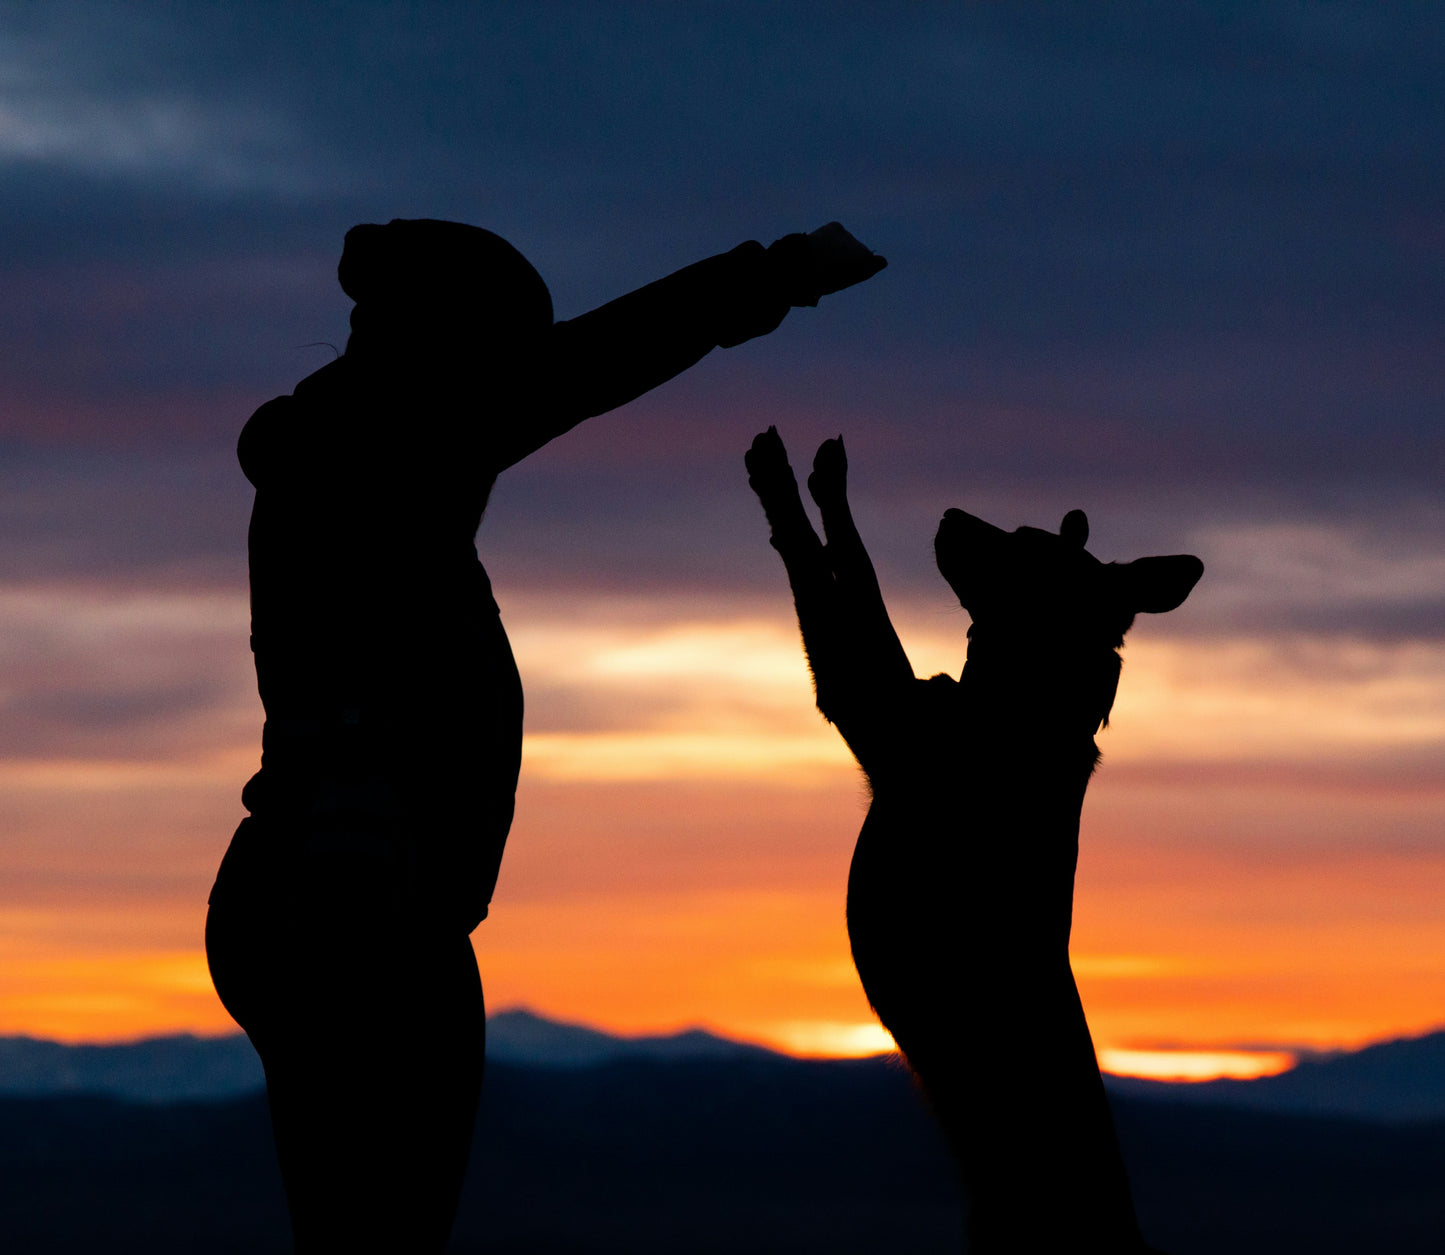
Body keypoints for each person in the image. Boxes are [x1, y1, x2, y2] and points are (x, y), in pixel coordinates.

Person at [205, 218, 885, 1253]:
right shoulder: (384, 450)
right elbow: (591, 364)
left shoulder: (362, 456)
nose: (510, 384)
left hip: (332, 887)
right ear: (445, 344)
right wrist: (767, 279)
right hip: (350, 894)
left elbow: (569, 370)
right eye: (499, 357)